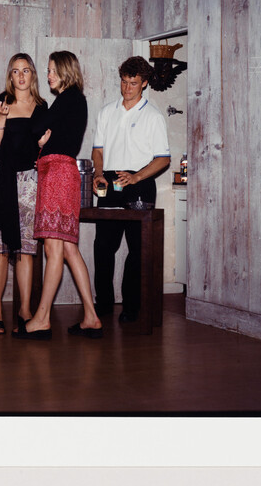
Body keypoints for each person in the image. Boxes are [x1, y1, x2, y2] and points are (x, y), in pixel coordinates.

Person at [14, 50, 103, 340]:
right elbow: (42, 132)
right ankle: (91, 316)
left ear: (65, 71)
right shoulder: (73, 101)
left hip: (57, 174)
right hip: (63, 174)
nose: (48, 75)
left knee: (53, 249)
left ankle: (41, 319)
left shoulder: (68, 99)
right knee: (67, 249)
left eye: (52, 70)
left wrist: (43, 134)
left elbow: (36, 128)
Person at [91, 56, 171, 323]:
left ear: (144, 83)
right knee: (103, 247)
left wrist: (136, 178)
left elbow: (163, 159)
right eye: (124, 82)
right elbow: (98, 150)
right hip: (111, 183)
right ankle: (102, 305)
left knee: (138, 250)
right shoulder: (106, 112)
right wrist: (99, 174)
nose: (127, 88)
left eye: (133, 83)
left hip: (139, 184)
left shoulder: (153, 116)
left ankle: (131, 307)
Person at [0, 54, 48, 335]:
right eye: (15, 71)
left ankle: (24, 309)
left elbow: (48, 150)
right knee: (0, 250)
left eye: (26, 71)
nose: (21, 76)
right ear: (10, 76)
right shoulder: (1, 102)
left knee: (26, 251)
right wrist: (0, 117)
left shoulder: (43, 107)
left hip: (30, 183)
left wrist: (45, 144)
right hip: (3, 182)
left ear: (33, 75)